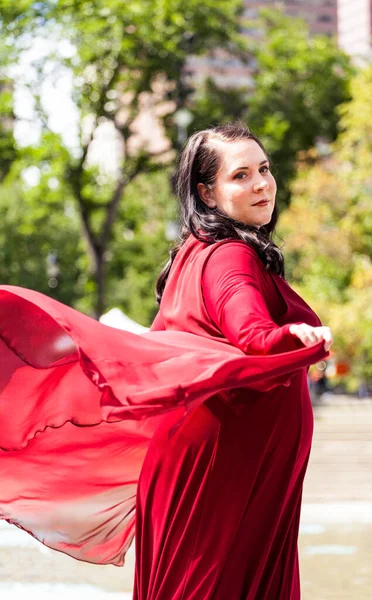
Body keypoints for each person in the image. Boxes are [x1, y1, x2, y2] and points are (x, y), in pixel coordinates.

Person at [0, 122, 332, 600]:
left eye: (264, 169)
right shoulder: (229, 257)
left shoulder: (194, 254)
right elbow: (251, 330)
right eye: (240, 175)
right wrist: (288, 337)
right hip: (221, 472)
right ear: (208, 193)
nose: (262, 184)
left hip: (217, 465)